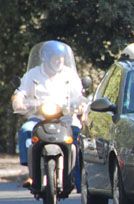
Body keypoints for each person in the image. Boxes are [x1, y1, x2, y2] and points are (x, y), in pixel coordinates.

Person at [11, 40, 84, 188]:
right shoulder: (33, 73)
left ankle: (76, 178)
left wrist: (82, 104)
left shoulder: (69, 75)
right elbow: (20, 92)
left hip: (65, 118)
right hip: (39, 117)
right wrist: (18, 101)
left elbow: (80, 96)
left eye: (61, 57)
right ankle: (32, 173)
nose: (59, 60)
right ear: (46, 58)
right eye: (55, 57)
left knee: (77, 135)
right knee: (26, 131)